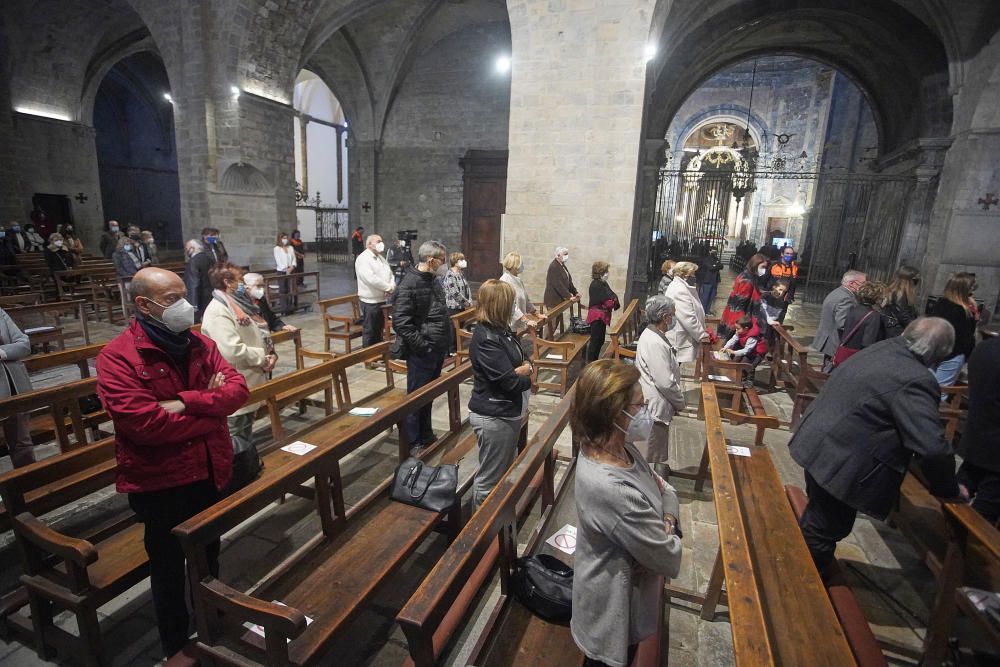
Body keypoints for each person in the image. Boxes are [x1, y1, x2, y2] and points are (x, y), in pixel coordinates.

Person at [95, 267, 249, 658]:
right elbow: (146, 425)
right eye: (170, 299)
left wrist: (187, 402)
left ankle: (210, 622)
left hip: (210, 471)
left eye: (183, 295)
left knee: (209, 554)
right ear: (143, 305)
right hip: (161, 482)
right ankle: (176, 646)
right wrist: (211, 411)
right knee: (166, 568)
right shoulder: (118, 358)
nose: (184, 305)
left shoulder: (199, 344)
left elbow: (237, 390)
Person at [790, 317, 962, 578]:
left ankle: (802, 571)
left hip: (820, 442)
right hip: (840, 460)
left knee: (819, 515)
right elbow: (933, 448)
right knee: (825, 528)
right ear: (938, 355)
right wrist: (948, 490)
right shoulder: (915, 379)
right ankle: (801, 585)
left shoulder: (882, 349)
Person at [570, 360, 682, 667]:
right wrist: (661, 535)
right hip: (610, 610)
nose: (645, 413)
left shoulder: (622, 449)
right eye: (640, 406)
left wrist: (665, 521)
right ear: (614, 414)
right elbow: (669, 557)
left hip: (628, 595)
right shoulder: (610, 487)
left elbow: (667, 491)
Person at [200, 263, 277, 488]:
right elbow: (230, 349)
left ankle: (246, 469)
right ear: (227, 282)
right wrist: (262, 357)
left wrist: (269, 354)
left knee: (245, 429)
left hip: (249, 376)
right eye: (239, 280)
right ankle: (235, 481)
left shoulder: (235, 305)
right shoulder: (218, 310)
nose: (243, 284)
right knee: (235, 434)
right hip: (235, 380)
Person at [468, 279, 533, 507]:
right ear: (499, 305)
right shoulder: (486, 339)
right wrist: (527, 376)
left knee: (501, 472)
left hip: (506, 412)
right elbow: (510, 383)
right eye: (510, 301)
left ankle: (496, 520)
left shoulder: (502, 331)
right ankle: (480, 535)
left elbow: (524, 359)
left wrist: (525, 370)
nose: (513, 305)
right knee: (489, 481)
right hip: (494, 416)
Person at [392, 240, 449, 451]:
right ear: (431, 260)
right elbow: (401, 323)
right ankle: (413, 442)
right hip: (422, 352)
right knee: (415, 399)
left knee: (429, 396)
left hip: (436, 349)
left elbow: (439, 312)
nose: (444, 264)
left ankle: (426, 433)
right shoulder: (409, 284)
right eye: (442, 260)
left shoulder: (433, 280)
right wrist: (423, 347)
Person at [635, 295, 685, 473]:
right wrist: (680, 402)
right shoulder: (655, 341)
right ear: (665, 317)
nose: (674, 318)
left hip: (654, 402)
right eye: (673, 314)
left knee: (651, 449)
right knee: (647, 452)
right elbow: (665, 382)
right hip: (655, 404)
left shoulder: (653, 335)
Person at [956, 319, 1000, 523]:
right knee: (986, 509)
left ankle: (950, 532)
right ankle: (969, 551)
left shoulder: (984, 349)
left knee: (963, 486)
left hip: (975, 436)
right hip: (995, 451)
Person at [0, 307, 37, 467]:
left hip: (13, 386)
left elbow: (24, 344)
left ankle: (30, 486)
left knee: (22, 444)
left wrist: (1, 352)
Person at [929, 272, 978, 389]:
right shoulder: (964, 312)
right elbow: (967, 339)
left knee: (927, 387)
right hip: (953, 355)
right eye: (971, 290)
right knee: (940, 393)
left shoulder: (939, 304)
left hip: (933, 351)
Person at [811, 270, 866, 371]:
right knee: (831, 370)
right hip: (834, 341)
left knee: (828, 367)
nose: (864, 287)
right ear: (852, 284)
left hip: (828, 338)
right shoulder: (846, 298)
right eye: (863, 284)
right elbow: (843, 323)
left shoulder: (838, 291)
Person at [663, 261, 708, 364]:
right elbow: (688, 317)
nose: (694, 276)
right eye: (693, 274)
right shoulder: (680, 290)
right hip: (679, 338)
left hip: (681, 335)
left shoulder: (680, 286)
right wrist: (702, 335)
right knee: (673, 367)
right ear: (685, 275)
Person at [354, 233, 395, 347]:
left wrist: (391, 286)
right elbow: (370, 279)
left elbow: (390, 273)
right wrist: (387, 287)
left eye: (381, 241)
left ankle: (378, 353)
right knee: (370, 330)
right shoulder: (363, 258)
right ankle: (368, 357)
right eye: (378, 241)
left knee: (379, 329)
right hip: (370, 301)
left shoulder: (380, 257)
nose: (381, 244)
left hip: (382, 299)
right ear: (370, 244)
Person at [718, 253, 769, 339]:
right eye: (762, 267)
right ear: (755, 265)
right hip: (740, 318)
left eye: (765, 267)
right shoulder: (747, 280)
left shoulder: (748, 275)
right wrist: (741, 324)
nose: (764, 270)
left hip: (737, 315)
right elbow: (739, 305)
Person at [836, 281, 888, 360]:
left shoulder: (853, 309)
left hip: (845, 350)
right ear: (877, 298)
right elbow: (868, 342)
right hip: (857, 355)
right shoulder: (874, 315)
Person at [499, 252, 543, 335]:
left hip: (516, 322)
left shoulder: (518, 280)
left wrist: (537, 314)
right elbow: (510, 305)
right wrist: (526, 320)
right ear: (515, 265)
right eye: (520, 263)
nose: (522, 265)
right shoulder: (505, 280)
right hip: (507, 324)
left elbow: (526, 300)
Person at [585, 261, 620, 363]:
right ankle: (590, 364)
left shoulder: (603, 283)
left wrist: (613, 300)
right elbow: (608, 302)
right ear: (600, 273)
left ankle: (594, 362)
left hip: (602, 316)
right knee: (595, 341)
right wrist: (613, 301)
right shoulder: (596, 285)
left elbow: (612, 296)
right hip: (597, 316)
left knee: (600, 340)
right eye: (605, 271)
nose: (607, 273)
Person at [721, 315, 768, 387]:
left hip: (757, 353)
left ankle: (748, 382)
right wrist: (725, 347)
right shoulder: (740, 331)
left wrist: (734, 352)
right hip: (749, 350)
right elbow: (733, 339)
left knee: (747, 366)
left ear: (746, 329)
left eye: (738, 328)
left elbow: (747, 350)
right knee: (736, 361)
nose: (736, 330)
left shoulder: (752, 337)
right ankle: (738, 379)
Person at [442, 252, 473, 354]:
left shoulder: (461, 273)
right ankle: (452, 349)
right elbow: (454, 292)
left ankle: (458, 347)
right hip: (453, 307)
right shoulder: (450, 274)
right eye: (461, 260)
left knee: (460, 327)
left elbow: (467, 287)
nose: (464, 262)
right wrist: (466, 303)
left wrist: (470, 300)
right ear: (455, 262)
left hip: (461, 306)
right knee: (453, 330)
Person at [882, 265, 920, 338]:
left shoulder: (896, 292)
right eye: (915, 279)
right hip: (896, 332)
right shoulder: (899, 295)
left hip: (893, 331)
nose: (916, 283)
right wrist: (918, 328)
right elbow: (904, 317)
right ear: (909, 281)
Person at [184, 239, 215, 323]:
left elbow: (193, 284)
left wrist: (192, 305)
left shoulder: (193, 261)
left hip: (199, 298)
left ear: (192, 248)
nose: (186, 251)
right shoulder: (209, 258)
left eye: (187, 249)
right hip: (211, 296)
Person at [768, 245, 799, 322]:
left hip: (785, 299)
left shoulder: (794, 268)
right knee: (769, 319)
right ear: (782, 254)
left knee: (780, 320)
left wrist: (790, 295)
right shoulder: (773, 265)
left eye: (791, 254)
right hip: (772, 297)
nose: (789, 255)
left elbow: (793, 284)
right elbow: (766, 279)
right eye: (787, 253)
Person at [274, 231, 297, 308]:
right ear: (279, 239)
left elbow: (294, 258)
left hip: (291, 270)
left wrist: (292, 267)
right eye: (283, 238)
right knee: (283, 289)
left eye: (286, 238)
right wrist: (286, 269)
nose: (285, 240)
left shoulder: (291, 248)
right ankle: (284, 307)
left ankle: (290, 306)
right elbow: (278, 261)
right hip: (281, 271)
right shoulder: (276, 249)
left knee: (291, 288)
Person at [695, 250, 723, 314]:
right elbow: (711, 268)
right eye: (713, 251)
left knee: (712, 297)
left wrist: (715, 265)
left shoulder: (716, 259)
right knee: (705, 297)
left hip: (715, 281)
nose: (715, 253)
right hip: (707, 281)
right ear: (710, 251)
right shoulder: (706, 259)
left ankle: (707, 311)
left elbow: (721, 266)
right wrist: (716, 265)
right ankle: (703, 311)